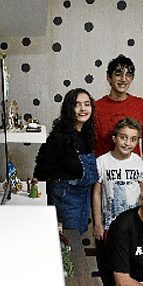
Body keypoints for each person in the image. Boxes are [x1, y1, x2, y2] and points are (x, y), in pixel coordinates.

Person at [34, 88, 98, 234]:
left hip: (84, 197)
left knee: (76, 236)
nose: (83, 109)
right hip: (65, 198)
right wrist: (41, 202)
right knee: (66, 240)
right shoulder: (58, 136)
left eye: (87, 104)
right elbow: (42, 169)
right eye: (77, 104)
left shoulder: (87, 134)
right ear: (69, 109)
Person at [93, 117, 143, 277]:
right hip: (109, 225)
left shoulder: (137, 161)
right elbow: (96, 193)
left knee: (130, 263)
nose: (127, 143)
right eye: (123, 137)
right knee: (108, 264)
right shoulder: (102, 161)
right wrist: (97, 223)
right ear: (114, 138)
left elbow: (142, 190)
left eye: (133, 139)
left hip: (133, 225)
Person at [93, 56, 143, 177]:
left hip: (132, 174)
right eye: (118, 74)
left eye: (128, 75)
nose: (124, 79)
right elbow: (90, 144)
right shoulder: (96, 107)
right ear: (108, 77)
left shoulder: (141, 105)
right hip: (104, 175)